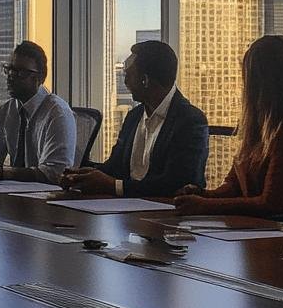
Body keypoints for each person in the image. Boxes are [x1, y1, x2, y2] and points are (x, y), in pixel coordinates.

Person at [173, 35, 283, 216]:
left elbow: (272, 203)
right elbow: (234, 186)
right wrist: (203, 195)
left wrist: (205, 205)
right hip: (251, 226)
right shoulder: (259, 125)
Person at [60, 41, 207, 197]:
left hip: (167, 212)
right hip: (127, 210)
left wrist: (114, 186)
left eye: (128, 75)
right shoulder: (134, 116)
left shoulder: (190, 121)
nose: (125, 82)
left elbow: (177, 183)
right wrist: (85, 175)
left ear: (145, 80)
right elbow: (115, 167)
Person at [0, 41, 76, 185]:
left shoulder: (57, 113)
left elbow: (55, 173)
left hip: (48, 199)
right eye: (10, 69)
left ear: (40, 78)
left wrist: (2, 173)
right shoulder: (7, 111)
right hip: (14, 196)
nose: (11, 76)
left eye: (21, 72)